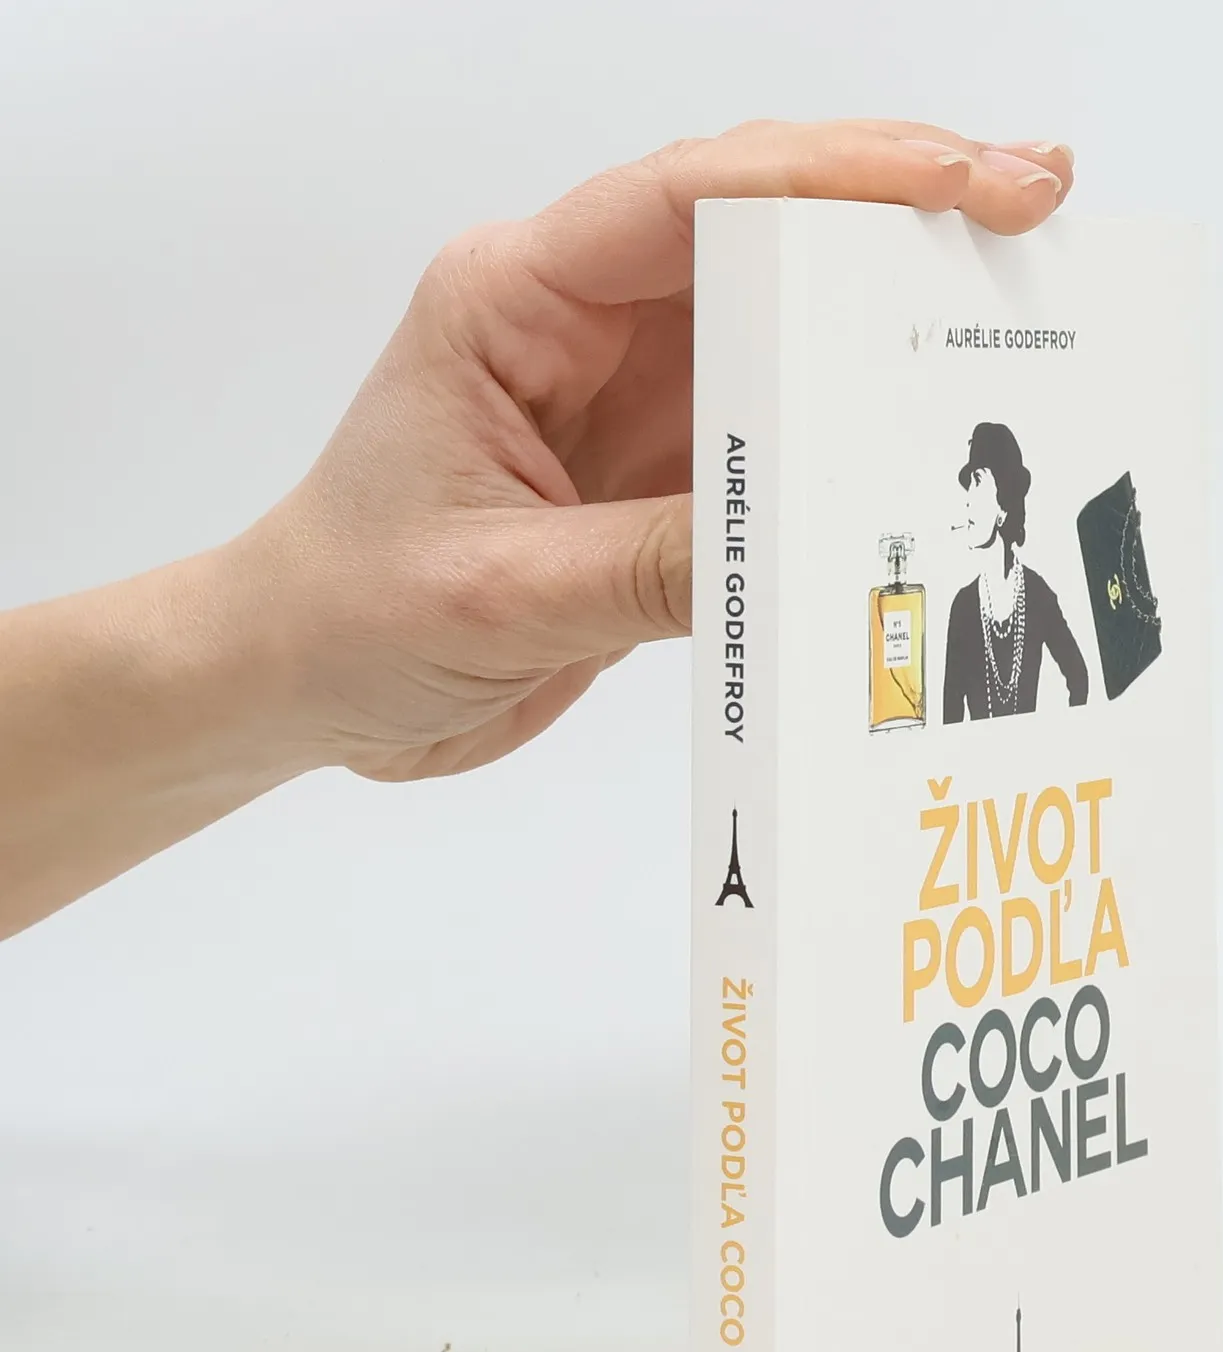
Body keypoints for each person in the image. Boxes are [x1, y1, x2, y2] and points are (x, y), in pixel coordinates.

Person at [0, 120, 1074, 943]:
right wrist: (284, 647)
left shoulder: (1039, 602)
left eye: (977, 486)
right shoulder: (943, 609)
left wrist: (280, 658)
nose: (959, 499)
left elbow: (1072, 691)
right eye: (961, 481)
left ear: (1010, 501)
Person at [942, 421, 1090, 723]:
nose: (968, 498)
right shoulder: (963, 607)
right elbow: (950, 717)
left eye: (978, 481)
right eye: (969, 485)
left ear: (1003, 507)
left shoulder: (1037, 595)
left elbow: (1079, 677)